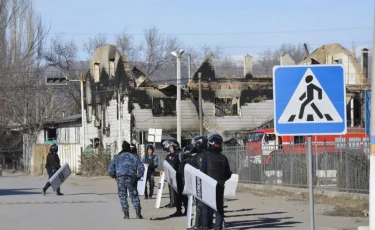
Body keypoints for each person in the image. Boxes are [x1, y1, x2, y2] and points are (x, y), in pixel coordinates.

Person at [201, 133, 232, 230]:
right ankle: (218, 228)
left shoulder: (206, 157)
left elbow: (202, 171)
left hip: (208, 186)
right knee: (219, 209)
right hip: (220, 186)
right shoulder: (224, 158)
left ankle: (206, 227)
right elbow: (228, 174)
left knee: (206, 208)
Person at [108, 141, 145, 219]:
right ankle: (138, 213)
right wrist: (138, 177)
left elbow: (110, 170)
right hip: (131, 177)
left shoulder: (117, 157)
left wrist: (114, 176)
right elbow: (141, 167)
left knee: (122, 195)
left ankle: (126, 214)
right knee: (134, 195)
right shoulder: (134, 156)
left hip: (120, 178)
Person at [187, 135, 211, 229]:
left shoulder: (198, 157)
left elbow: (191, 167)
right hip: (210, 184)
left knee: (199, 205)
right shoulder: (209, 155)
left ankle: (198, 225)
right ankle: (207, 224)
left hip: (200, 184)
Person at [161, 140, 180, 209]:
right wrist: (163, 170)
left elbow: (173, 164)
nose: (170, 148)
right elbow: (167, 163)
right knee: (170, 188)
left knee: (173, 189)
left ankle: (174, 202)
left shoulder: (177, 154)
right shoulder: (170, 154)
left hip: (176, 174)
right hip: (170, 174)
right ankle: (171, 201)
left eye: (171, 147)